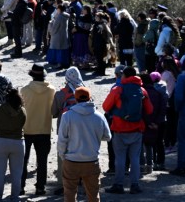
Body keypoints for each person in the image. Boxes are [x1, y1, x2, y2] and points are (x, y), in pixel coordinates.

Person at [102, 66, 153, 194]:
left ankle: (118, 184)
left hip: (119, 129)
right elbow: (150, 110)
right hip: (136, 130)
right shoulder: (141, 90)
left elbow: (105, 106)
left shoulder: (117, 90)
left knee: (120, 158)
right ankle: (134, 185)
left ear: (124, 76)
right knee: (135, 158)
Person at [57, 87, 111, 202]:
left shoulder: (67, 116)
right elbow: (108, 136)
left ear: (75, 99)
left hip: (71, 160)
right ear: (89, 98)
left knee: (69, 195)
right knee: (93, 195)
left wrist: (63, 156)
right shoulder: (99, 116)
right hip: (92, 160)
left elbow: (62, 140)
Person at [19, 64, 55, 196]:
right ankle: (40, 187)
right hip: (44, 129)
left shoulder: (24, 90)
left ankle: (20, 186)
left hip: (27, 129)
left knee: (23, 161)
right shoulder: (51, 90)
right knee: (42, 161)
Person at [0, 88, 26, 202]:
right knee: (16, 173)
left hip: (0, 141)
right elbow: (22, 125)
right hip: (18, 142)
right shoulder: (22, 111)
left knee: (0, 172)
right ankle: (15, 197)